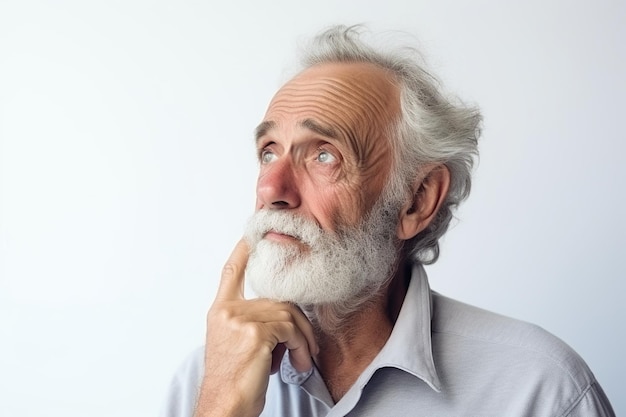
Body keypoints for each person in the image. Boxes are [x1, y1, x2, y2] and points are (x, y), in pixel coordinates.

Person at [161, 25, 615, 417]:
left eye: (324, 154)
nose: (271, 189)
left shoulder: (541, 390)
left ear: (416, 201)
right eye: (269, 152)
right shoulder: (207, 380)